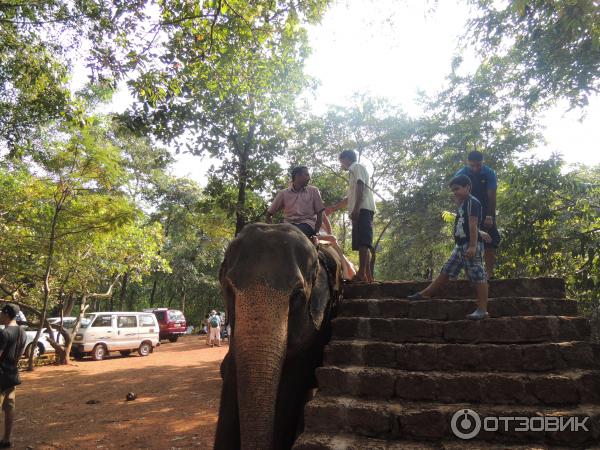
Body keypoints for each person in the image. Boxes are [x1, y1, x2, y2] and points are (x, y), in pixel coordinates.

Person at [408, 175, 489, 320]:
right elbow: (466, 223)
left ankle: (482, 309)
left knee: (478, 275)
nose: (454, 192)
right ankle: (425, 294)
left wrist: (472, 246)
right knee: (446, 270)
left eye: (457, 189)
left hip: (469, 244)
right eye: (453, 190)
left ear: (467, 187)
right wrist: (458, 202)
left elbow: (472, 224)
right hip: (460, 245)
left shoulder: (472, 202)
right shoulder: (464, 203)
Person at [326, 150, 375, 282]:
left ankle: (361, 274)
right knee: (361, 242)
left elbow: (360, 185)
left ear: (346, 159)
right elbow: (349, 198)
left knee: (363, 241)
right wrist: (334, 208)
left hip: (363, 208)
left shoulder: (355, 167)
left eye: (341, 161)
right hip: (361, 209)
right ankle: (367, 276)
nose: (341, 165)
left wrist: (357, 208)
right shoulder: (354, 171)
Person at [455, 150, 501, 278]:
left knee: (489, 242)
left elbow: (492, 197)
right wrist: (462, 214)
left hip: (486, 210)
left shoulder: (489, 173)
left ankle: (489, 273)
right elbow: (458, 196)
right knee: (466, 242)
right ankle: (469, 275)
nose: (475, 168)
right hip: (468, 210)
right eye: (472, 165)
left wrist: (489, 216)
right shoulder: (461, 174)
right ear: (467, 163)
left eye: (478, 165)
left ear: (483, 162)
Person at [266, 166, 325, 241]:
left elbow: (320, 213)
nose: (309, 178)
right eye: (306, 175)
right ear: (297, 176)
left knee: (292, 236)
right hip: (287, 226)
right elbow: (269, 214)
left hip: (307, 225)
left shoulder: (313, 191)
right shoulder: (283, 193)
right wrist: (271, 229)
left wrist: (316, 233)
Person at [0, 304, 27, 448]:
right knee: (9, 408)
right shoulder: (22, 332)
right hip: (12, 375)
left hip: (1, 375)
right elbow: (19, 355)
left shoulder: (4, 333)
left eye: (0, 313)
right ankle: (6, 439)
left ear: (6, 314)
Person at [316, 214, 357, 280]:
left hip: (321, 236)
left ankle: (345, 268)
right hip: (312, 236)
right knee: (332, 240)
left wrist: (329, 234)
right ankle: (345, 268)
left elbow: (326, 223)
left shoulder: (318, 210)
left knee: (333, 240)